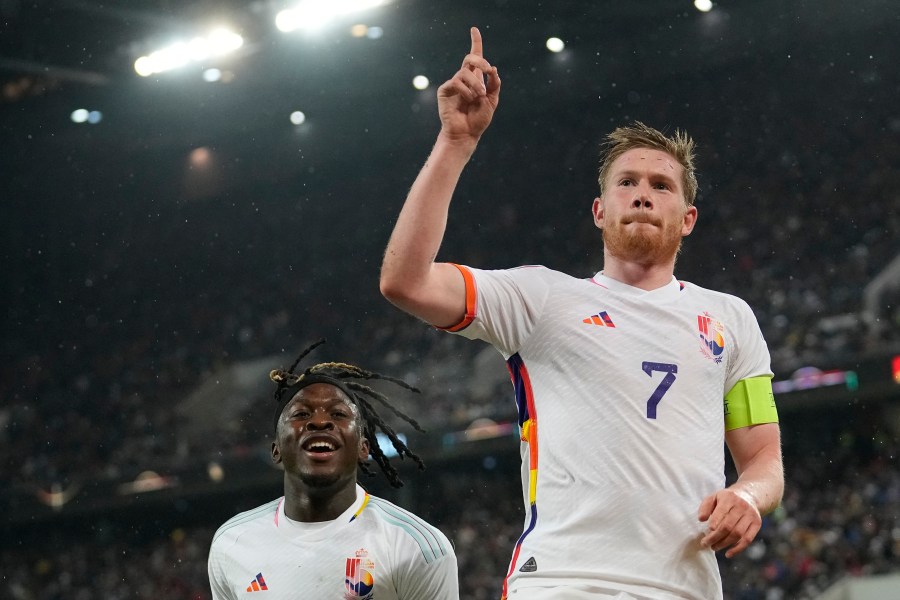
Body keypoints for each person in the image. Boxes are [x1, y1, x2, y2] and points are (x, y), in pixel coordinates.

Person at [379, 27, 784, 600]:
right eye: (628, 183)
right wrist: (455, 143)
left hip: (686, 588)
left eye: (662, 185)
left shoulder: (731, 319)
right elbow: (405, 281)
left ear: (688, 218)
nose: (643, 194)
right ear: (600, 210)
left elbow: (764, 456)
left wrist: (747, 496)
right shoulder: (540, 300)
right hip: (562, 582)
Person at [207, 340, 459, 599]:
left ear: (364, 448)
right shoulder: (231, 543)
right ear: (276, 451)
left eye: (338, 414)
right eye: (301, 414)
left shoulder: (417, 547)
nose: (319, 421)